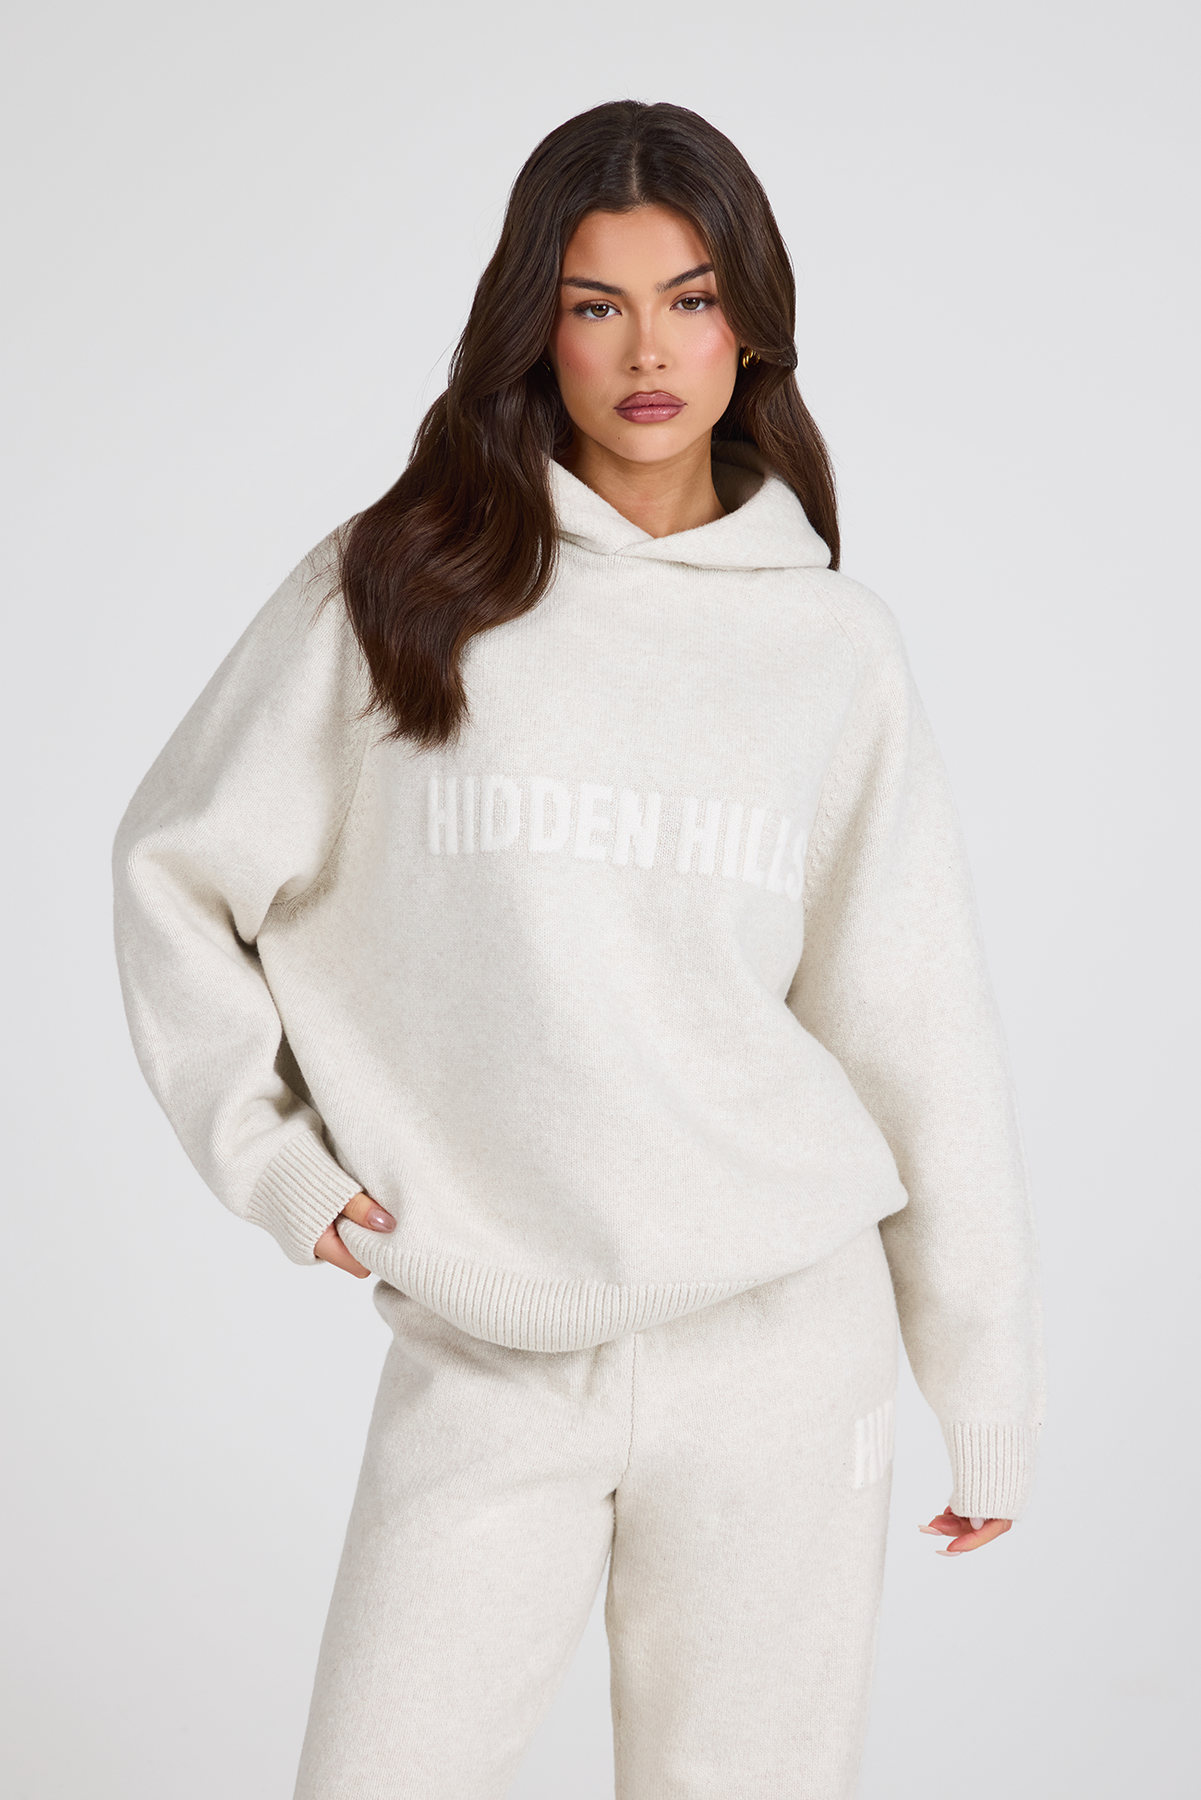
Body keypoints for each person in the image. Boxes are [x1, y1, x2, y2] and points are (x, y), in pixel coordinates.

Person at [113, 99, 1045, 1800]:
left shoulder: (832, 649)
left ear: (750, 322)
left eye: (689, 299)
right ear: (535, 325)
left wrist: (978, 1382)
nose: (647, 352)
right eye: (595, 303)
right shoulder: (402, 590)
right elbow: (174, 872)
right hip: (489, 1339)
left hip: (783, 1345)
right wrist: (276, 1164)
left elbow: (915, 1024)